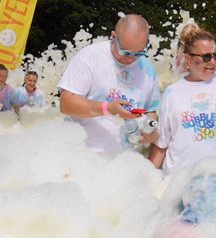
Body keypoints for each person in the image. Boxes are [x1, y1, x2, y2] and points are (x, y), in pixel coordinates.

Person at [148, 24, 216, 174]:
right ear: (188, 59)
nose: (212, 62)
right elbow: (161, 145)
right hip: (177, 181)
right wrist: (146, 181)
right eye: (206, 57)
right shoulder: (172, 92)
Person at [58, 14, 160, 154]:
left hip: (123, 160)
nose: (130, 59)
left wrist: (150, 131)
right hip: (79, 155)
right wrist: (107, 108)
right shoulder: (90, 56)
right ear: (113, 37)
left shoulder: (148, 70)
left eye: (139, 53)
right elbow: (66, 104)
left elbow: (150, 110)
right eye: (125, 52)